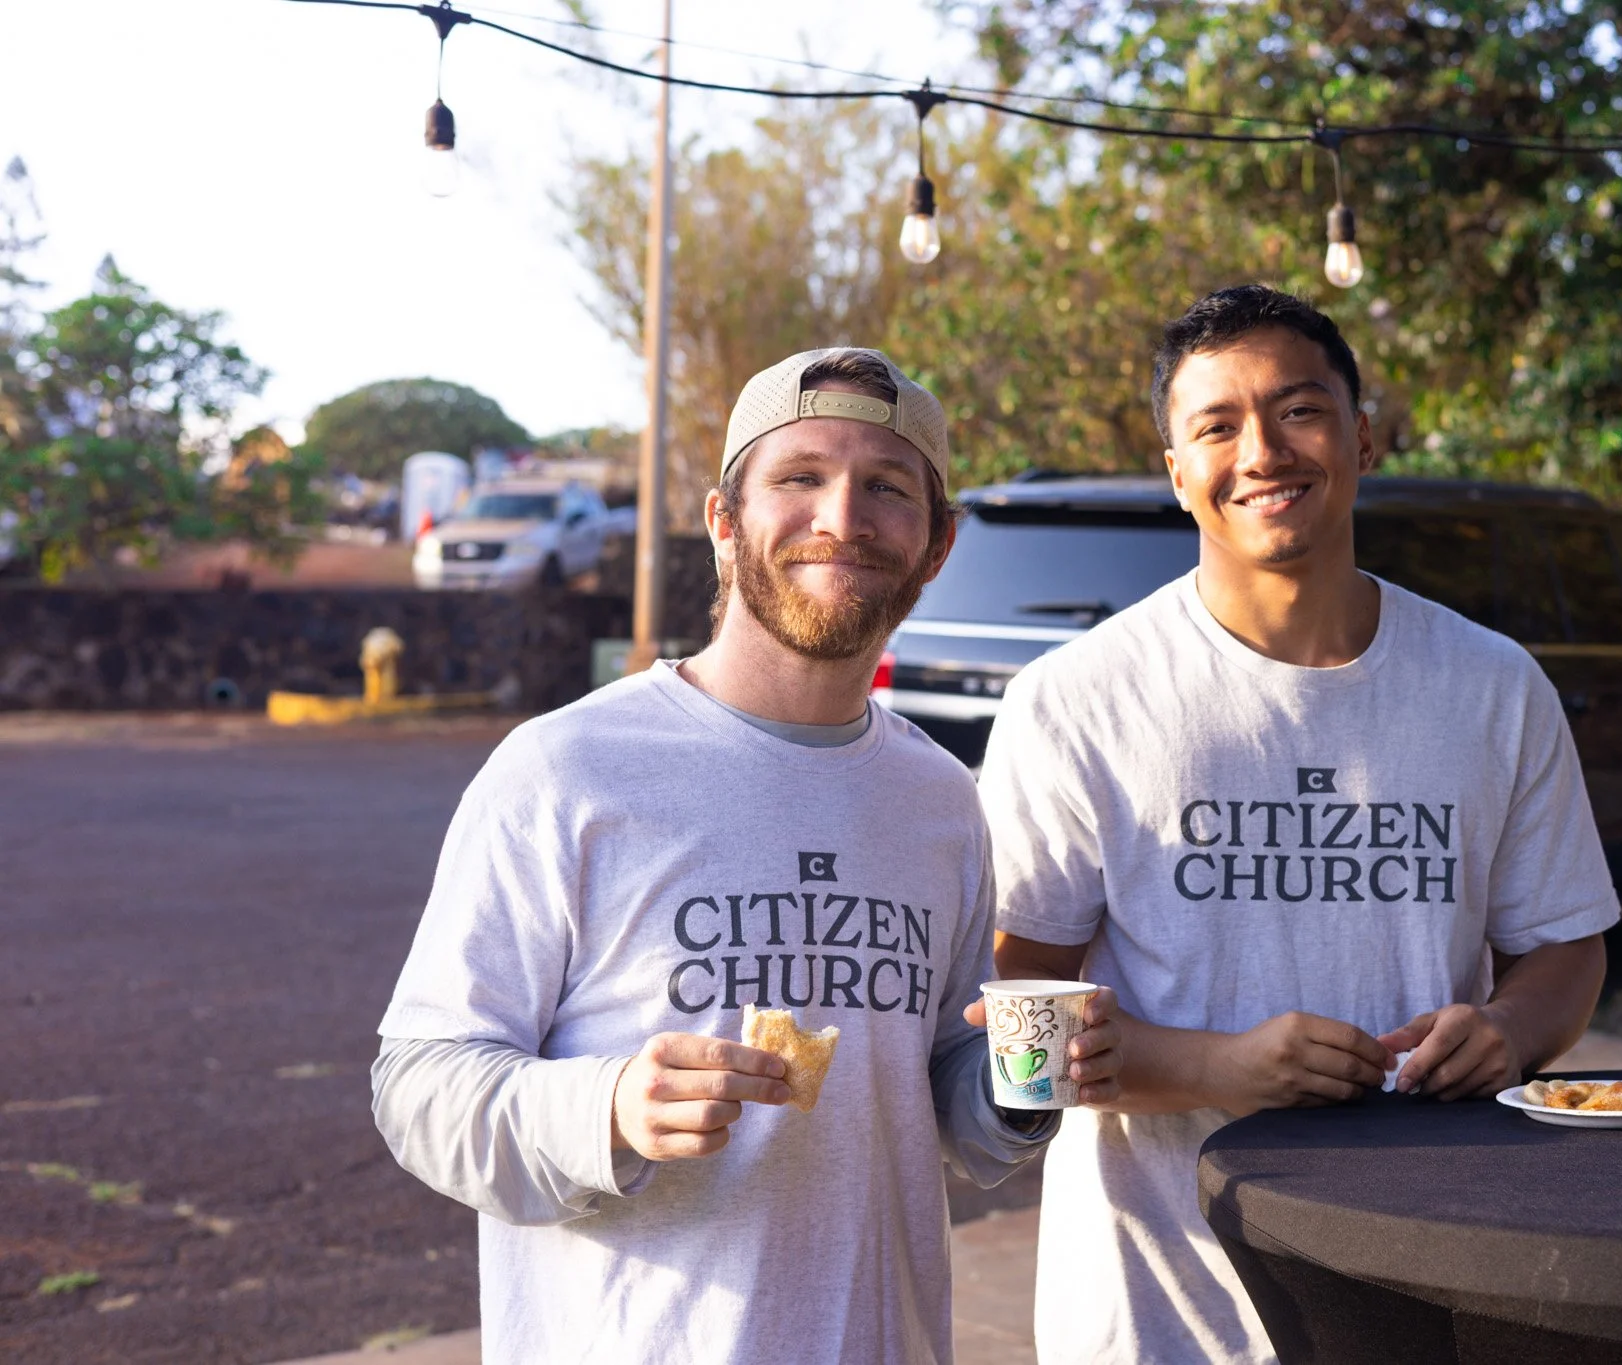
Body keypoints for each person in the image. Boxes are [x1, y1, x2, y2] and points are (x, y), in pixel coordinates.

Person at [372, 347, 1122, 1363]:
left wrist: (1016, 1083)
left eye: (886, 488)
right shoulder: (567, 769)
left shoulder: (939, 800)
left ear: (937, 544)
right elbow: (420, 1085)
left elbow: (938, 1101)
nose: (842, 517)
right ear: (724, 523)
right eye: (800, 476)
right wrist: (608, 1106)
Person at [977, 286, 1617, 1363]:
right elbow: (1010, 1034)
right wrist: (1211, 1069)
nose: (1261, 451)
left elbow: (1562, 951)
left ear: (1362, 438)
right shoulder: (1076, 700)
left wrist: (1506, 1031)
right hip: (1155, 1313)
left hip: (1428, 1285)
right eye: (1214, 426)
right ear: (1176, 472)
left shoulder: (1492, 686)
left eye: (1299, 410)